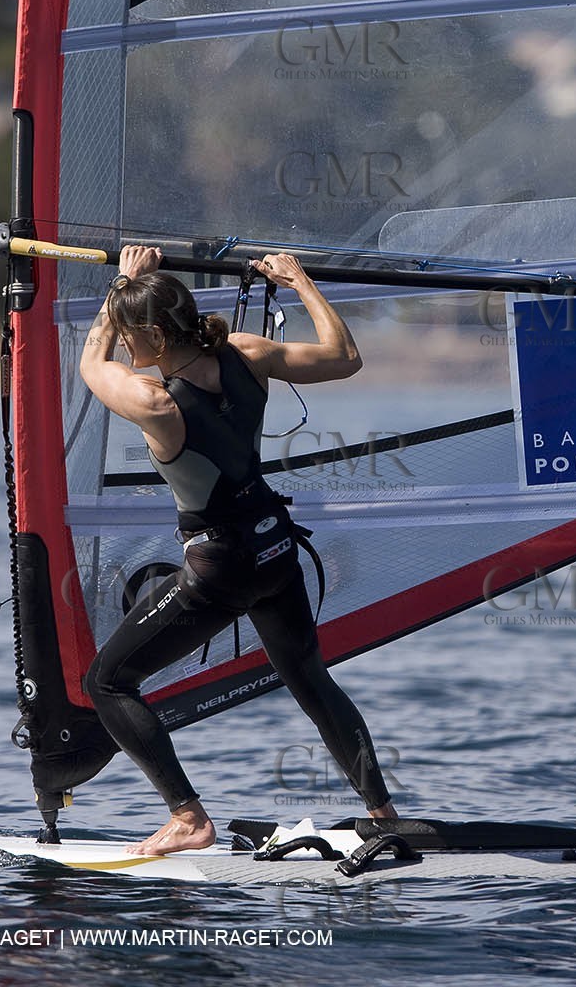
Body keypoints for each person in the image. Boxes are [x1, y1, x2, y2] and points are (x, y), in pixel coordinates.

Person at [79, 244, 398, 855]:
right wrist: (297, 279)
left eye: (129, 334)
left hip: (220, 567)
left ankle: (188, 817)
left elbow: (91, 365)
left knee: (109, 681)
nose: (122, 345)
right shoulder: (247, 354)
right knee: (309, 678)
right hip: (276, 550)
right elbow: (345, 357)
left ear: (148, 333)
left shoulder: (157, 404)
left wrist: (123, 281)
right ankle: (382, 812)